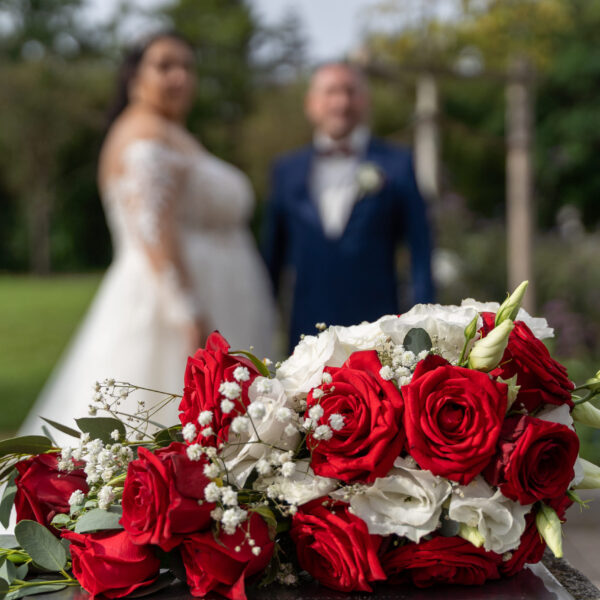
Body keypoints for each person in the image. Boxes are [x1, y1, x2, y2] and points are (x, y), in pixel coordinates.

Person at [19, 32, 274, 439]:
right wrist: (187, 311)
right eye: (165, 66)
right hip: (167, 304)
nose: (180, 77)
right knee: (161, 424)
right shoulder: (141, 133)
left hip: (222, 294)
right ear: (134, 77)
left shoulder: (172, 132)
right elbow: (153, 228)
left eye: (188, 67)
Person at [263, 62, 434, 351]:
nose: (341, 102)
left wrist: (422, 324)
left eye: (350, 91)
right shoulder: (285, 170)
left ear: (365, 101)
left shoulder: (398, 164)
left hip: (379, 329)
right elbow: (272, 258)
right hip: (306, 331)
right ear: (311, 103)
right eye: (331, 92)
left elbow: (420, 250)